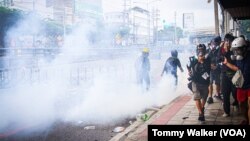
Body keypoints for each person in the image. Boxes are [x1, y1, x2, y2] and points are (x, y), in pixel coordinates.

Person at [223, 36, 250, 125]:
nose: (236, 52)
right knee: (242, 105)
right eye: (235, 50)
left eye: (238, 50)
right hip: (242, 85)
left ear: (244, 48)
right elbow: (237, 68)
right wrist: (227, 63)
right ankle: (246, 120)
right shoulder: (238, 58)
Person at [188, 44, 211, 122]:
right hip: (196, 82)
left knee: (204, 97)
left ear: (204, 51)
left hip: (204, 82)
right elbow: (189, 68)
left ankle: (202, 108)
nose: (200, 52)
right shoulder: (193, 60)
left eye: (202, 50)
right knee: (197, 97)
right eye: (199, 50)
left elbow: (209, 70)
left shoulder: (208, 59)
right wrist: (189, 72)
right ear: (197, 51)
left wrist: (202, 62)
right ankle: (201, 113)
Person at [219, 33, 238, 117]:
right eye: (226, 40)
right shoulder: (222, 49)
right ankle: (226, 111)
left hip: (234, 74)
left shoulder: (235, 49)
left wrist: (229, 51)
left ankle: (236, 102)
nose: (227, 43)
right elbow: (218, 58)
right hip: (225, 74)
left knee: (235, 92)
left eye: (229, 41)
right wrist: (225, 51)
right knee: (225, 93)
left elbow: (235, 61)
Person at [207, 36, 222, 104]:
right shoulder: (208, 50)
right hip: (210, 69)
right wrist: (209, 65)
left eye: (215, 43)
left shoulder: (220, 50)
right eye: (213, 43)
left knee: (217, 82)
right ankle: (210, 97)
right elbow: (205, 59)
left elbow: (221, 59)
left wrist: (217, 66)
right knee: (210, 82)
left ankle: (218, 94)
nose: (214, 44)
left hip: (217, 69)